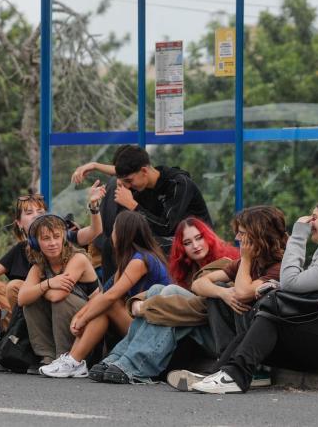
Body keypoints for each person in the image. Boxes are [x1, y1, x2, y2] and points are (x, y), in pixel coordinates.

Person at [188, 197, 318, 394]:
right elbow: (301, 289)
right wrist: (273, 286)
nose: (310, 222)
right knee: (263, 326)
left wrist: (298, 235)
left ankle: (234, 376)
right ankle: (221, 372)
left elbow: (291, 282)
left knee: (273, 316)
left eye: (314, 217)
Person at [89, 207, 284, 384]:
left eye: (199, 238)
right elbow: (198, 286)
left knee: (169, 299)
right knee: (161, 291)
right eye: (187, 242)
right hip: (208, 325)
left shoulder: (253, 262)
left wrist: (148, 305)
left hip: (236, 338)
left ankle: (131, 365)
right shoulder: (191, 267)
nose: (238, 238)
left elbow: (237, 294)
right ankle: (119, 359)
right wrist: (223, 293)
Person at [39, 211, 170, 378]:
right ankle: (73, 360)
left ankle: (74, 361)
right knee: (101, 308)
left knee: (109, 305)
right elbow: (103, 294)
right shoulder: (129, 261)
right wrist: (80, 315)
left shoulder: (141, 260)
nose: (111, 234)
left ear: (123, 234)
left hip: (154, 332)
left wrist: (84, 319)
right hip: (141, 324)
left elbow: (110, 297)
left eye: (114, 229)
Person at [72, 144, 212, 281]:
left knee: (136, 244)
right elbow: (120, 174)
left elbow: (166, 228)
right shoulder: (142, 181)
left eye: (129, 181)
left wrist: (133, 205)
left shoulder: (178, 184)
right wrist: (94, 165)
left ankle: (117, 285)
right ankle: (110, 283)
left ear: (144, 171)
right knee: (113, 243)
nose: (128, 186)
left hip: (188, 241)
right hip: (159, 237)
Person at [0, 182, 105, 322]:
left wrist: (94, 206)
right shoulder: (20, 250)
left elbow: (95, 231)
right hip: (41, 308)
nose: (35, 216)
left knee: (22, 289)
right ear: (19, 223)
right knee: (12, 287)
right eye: (29, 213)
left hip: (71, 303)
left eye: (40, 212)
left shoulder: (61, 238)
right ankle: (19, 329)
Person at [17, 214, 100, 374]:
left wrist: (40, 290)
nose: (52, 243)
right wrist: (48, 283)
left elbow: (57, 296)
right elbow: (22, 299)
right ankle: (48, 357)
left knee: (61, 300)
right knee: (31, 302)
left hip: (90, 323)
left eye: (56, 236)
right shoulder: (39, 266)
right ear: (35, 242)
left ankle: (67, 357)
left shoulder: (78, 259)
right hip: (70, 318)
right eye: (46, 238)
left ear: (64, 237)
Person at [167, 217, 240, 289]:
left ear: (208, 237)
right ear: (181, 248)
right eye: (187, 243)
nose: (195, 246)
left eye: (198, 238)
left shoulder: (226, 261)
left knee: (170, 289)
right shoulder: (184, 270)